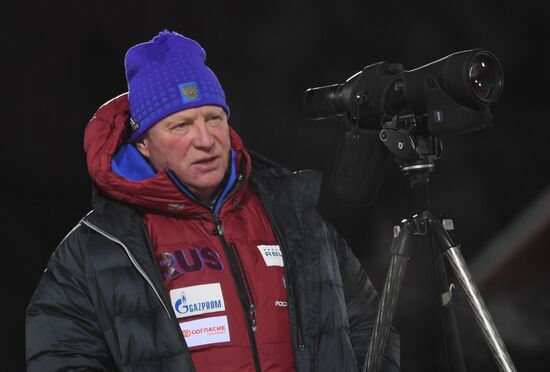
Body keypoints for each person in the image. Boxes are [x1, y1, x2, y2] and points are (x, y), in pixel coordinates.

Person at [25, 30, 400, 372]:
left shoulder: (293, 213)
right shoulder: (97, 247)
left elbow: (371, 324)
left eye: (213, 118)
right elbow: (59, 358)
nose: (205, 139)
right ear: (142, 143)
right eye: (181, 125)